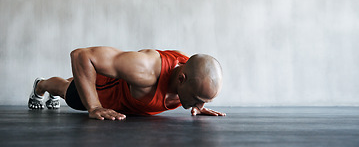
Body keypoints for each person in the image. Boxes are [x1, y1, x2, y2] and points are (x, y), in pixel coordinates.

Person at [28, 47, 226, 120]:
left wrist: (197, 104)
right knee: (67, 90)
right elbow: (81, 56)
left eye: (204, 101)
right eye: (199, 100)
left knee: (74, 80)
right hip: (103, 92)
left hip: (122, 91)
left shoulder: (190, 72)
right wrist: (95, 106)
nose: (200, 105)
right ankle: (41, 86)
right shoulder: (146, 70)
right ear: (181, 79)